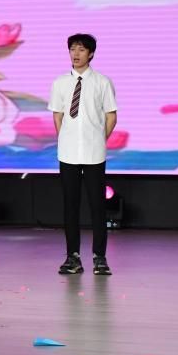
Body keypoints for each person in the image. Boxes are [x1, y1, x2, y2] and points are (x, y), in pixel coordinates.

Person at [48, 33, 117, 276]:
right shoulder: (60, 83)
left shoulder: (102, 82)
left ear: (91, 54)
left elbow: (111, 116)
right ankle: (72, 257)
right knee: (71, 205)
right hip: (68, 153)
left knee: (97, 205)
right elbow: (57, 115)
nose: (76, 54)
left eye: (81, 49)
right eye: (73, 49)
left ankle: (100, 256)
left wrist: (98, 138)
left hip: (94, 152)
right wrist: (66, 137)